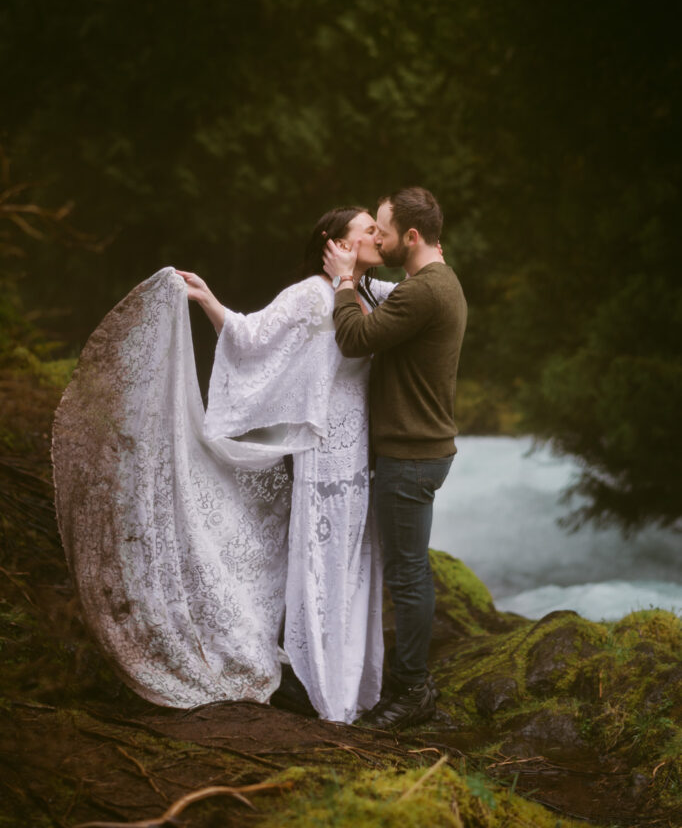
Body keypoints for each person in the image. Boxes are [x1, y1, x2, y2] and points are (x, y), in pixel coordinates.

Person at [52, 206, 392, 724]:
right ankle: (326, 692)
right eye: (367, 228)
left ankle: (352, 684)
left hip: (359, 449)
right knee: (324, 562)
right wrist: (210, 300)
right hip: (324, 454)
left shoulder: (367, 292)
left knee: (354, 562)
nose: (376, 234)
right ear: (335, 243)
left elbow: (420, 295)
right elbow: (251, 338)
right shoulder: (310, 295)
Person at [323, 186, 467, 729]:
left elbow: (355, 338)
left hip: (410, 456)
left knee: (407, 575)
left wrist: (341, 282)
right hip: (422, 450)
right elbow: (385, 295)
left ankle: (413, 690)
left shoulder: (422, 293)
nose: (376, 240)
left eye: (382, 232)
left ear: (411, 236)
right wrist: (356, 276)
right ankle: (409, 682)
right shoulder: (433, 280)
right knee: (408, 570)